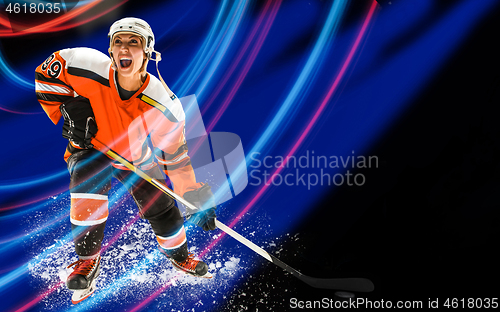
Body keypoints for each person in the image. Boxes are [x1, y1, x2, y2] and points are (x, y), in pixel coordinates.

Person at [35, 17, 217, 304]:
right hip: (90, 146)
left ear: (147, 53)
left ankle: (181, 256)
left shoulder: (165, 106)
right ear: (110, 49)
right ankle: (86, 262)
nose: (125, 48)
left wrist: (191, 194)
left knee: (161, 205)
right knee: (87, 175)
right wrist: (68, 107)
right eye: (118, 41)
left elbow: (176, 157)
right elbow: (46, 76)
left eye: (134, 42)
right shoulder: (82, 63)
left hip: (136, 160)